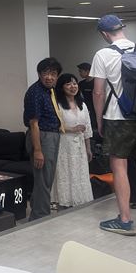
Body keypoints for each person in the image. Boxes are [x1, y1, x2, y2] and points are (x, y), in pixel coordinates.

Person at [91, 15, 136, 236]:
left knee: (119, 166)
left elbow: (98, 92)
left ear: (104, 34)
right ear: (122, 28)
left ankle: (124, 220)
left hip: (117, 118)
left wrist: (99, 120)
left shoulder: (103, 54)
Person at [22, 57, 63, 221]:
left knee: (46, 179)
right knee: (43, 180)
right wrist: (38, 150)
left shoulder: (50, 91)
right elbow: (34, 123)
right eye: (46, 73)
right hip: (42, 137)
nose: (49, 77)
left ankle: (37, 210)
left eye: (53, 74)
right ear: (39, 74)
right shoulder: (35, 92)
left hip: (51, 135)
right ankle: (40, 217)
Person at [50, 74, 94, 209]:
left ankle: (80, 200)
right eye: (68, 84)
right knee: (65, 172)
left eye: (74, 83)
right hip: (64, 144)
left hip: (80, 145)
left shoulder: (83, 105)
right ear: (62, 87)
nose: (72, 86)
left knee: (79, 172)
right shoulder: (57, 105)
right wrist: (71, 129)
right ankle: (64, 202)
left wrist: (88, 148)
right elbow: (54, 125)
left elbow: (87, 128)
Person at [77, 62, 97, 131]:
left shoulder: (96, 83)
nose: (79, 73)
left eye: (81, 71)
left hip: (95, 108)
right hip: (84, 108)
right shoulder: (81, 84)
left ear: (88, 71)